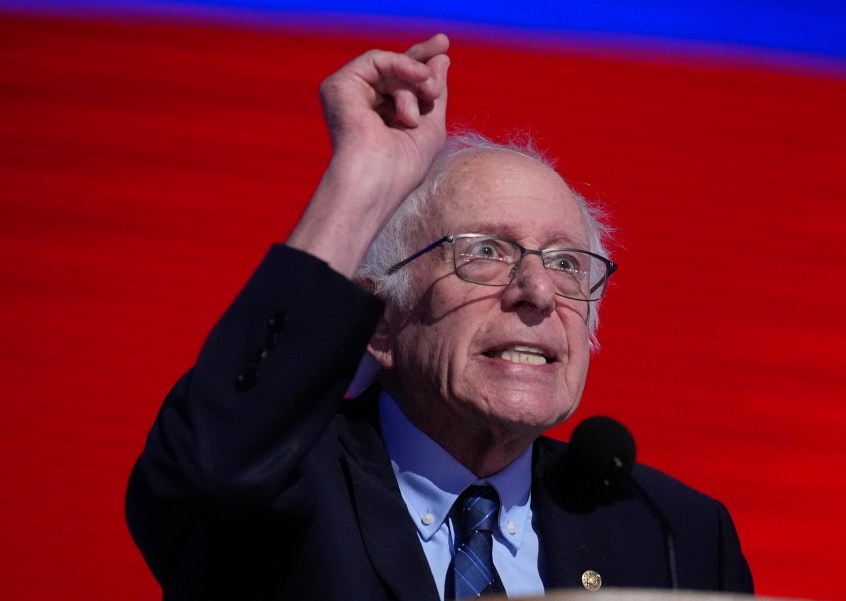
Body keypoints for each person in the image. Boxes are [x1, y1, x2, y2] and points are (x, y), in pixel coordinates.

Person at [126, 34, 753, 600]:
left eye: (567, 264)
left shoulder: (674, 531)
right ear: (379, 323)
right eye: (486, 252)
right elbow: (204, 469)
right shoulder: (285, 483)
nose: (536, 290)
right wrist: (360, 182)